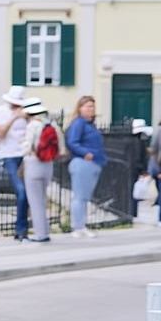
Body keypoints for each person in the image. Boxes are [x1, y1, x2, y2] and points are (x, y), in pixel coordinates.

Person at [20, 97, 65, 243]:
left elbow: (27, 147)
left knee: (35, 201)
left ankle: (41, 235)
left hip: (33, 163)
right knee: (42, 199)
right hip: (48, 165)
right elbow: (62, 149)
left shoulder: (33, 125)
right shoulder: (53, 124)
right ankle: (45, 231)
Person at [65, 95, 107, 238]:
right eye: (88, 106)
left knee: (85, 196)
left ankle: (81, 225)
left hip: (94, 162)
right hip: (83, 162)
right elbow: (72, 142)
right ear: (80, 108)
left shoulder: (90, 125)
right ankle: (78, 226)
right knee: (79, 196)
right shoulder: (79, 123)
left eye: (92, 106)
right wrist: (85, 153)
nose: (91, 109)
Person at [0, 86, 30, 241]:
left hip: (26, 155)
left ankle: (23, 230)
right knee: (21, 192)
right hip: (9, 155)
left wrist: (26, 117)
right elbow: (0, 133)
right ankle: (21, 230)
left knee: (28, 192)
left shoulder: (27, 113)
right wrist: (14, 117)